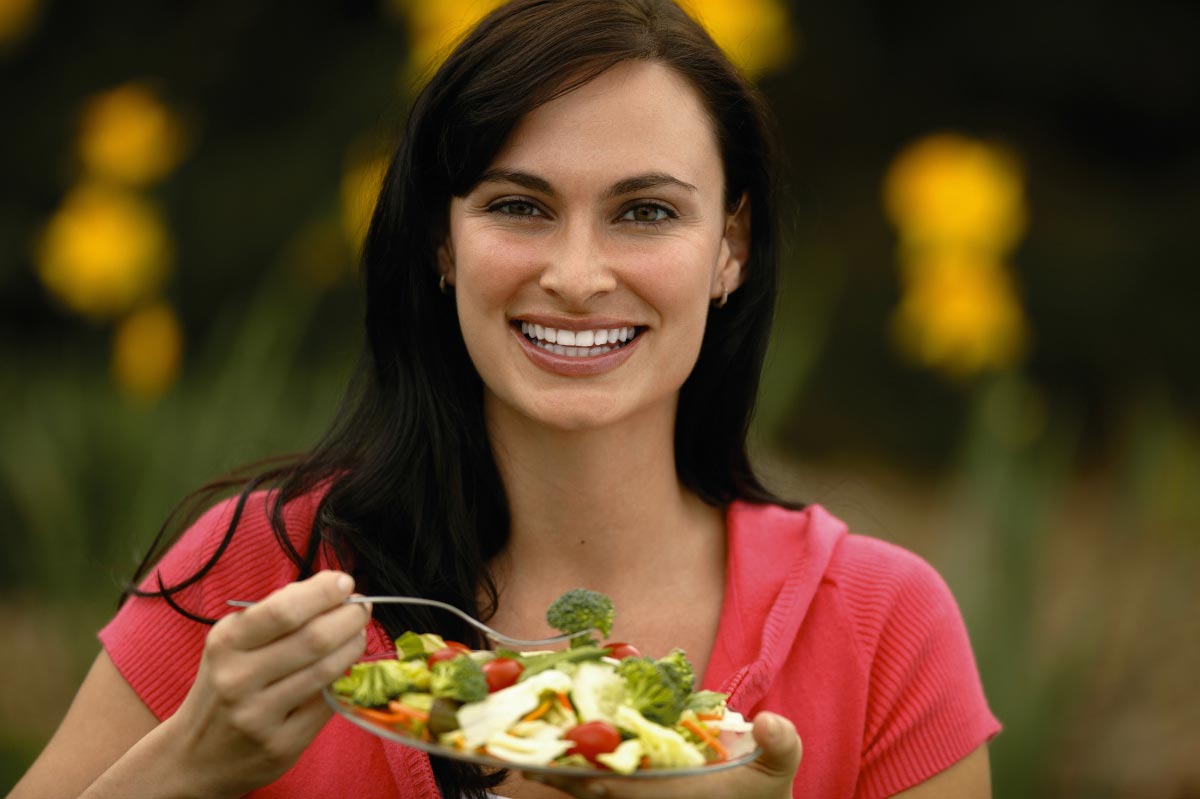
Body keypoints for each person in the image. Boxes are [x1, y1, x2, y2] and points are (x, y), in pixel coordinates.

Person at [8, 0, 1000, 797]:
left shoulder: (878, 625)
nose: (576, 274)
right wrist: (186, 770)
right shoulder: (266, 576)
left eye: (645, 212)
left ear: (729, 249)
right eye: (519, 206)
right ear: (443, 243)